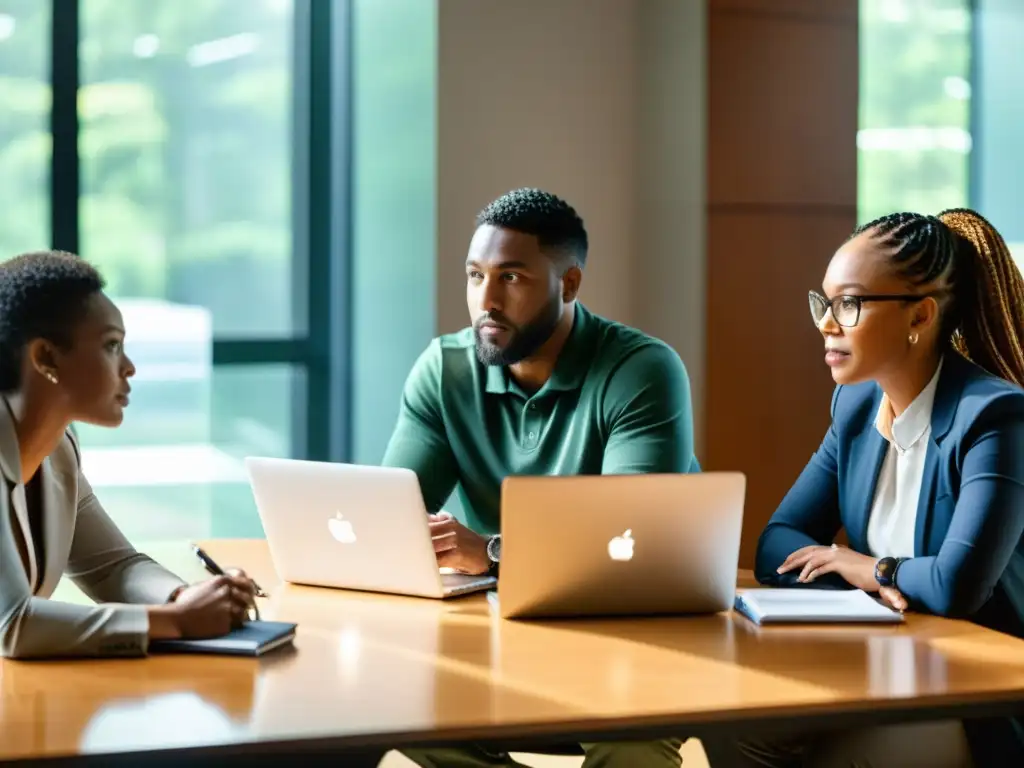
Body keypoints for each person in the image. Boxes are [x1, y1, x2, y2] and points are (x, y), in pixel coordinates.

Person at [382, 188, 698, 767]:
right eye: (475, 276)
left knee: (632, 741)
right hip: (504, 632)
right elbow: (391, 514)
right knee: (402, 707)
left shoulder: (642, 370)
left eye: (512, 278)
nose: (486, 301)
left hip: (634, 632)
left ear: (569, 285)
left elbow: (624, 544)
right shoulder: (445, 369)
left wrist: (495, 552)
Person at [703, 209, 1024, 768]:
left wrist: (869, 568)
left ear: (919, 315)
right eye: (823, 304)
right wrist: (867, 585)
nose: (827, 324)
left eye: (849, 305)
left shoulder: (995, 418)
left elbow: (957, 586)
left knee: (843, 754)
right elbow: (777, 544)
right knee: (731, 728)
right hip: (876, 666)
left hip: (975, 694)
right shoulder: (855, 408)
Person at [0, 251, 258, 659]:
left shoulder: (57, 451)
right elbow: (11, 625)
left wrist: (187, 597)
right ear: (45, 357)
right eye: (112, 346)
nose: (130, 367)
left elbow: (112, 566)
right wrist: (178, 621)